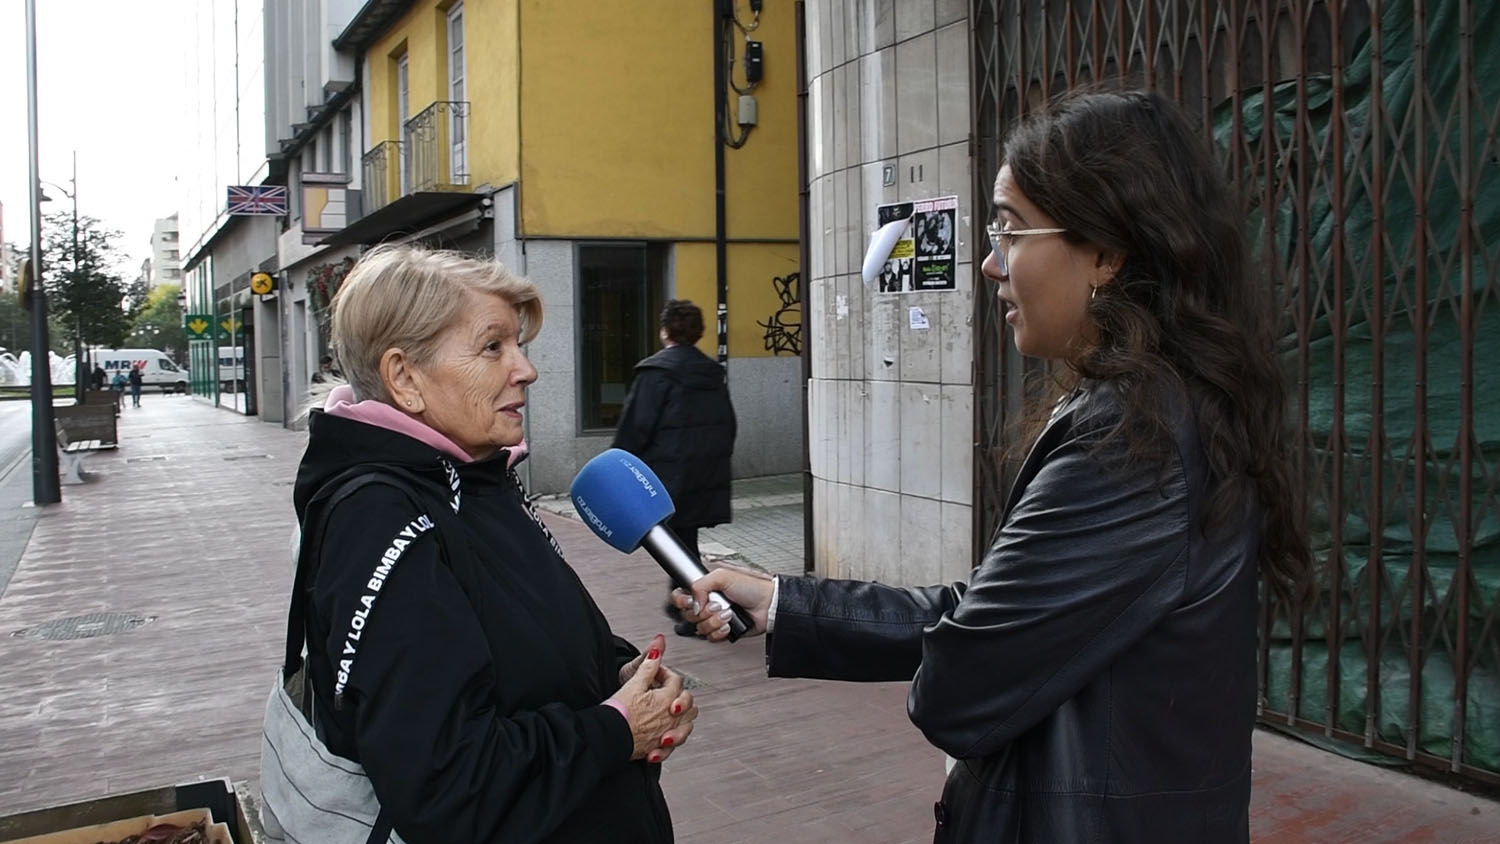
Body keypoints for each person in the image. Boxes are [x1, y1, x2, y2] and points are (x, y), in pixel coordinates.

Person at [673, 88, 1311, 843]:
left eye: (1010, 231)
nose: (987, 263)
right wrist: (783, 601)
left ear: (1106, 252)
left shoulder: (1132, 444)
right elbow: (989, 613)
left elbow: (958, 686)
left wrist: (952, 661)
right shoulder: (1160, 408)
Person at [270, 245, 695, 843]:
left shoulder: (473, 477)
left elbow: (509, 644)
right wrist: (616, 729)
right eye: (493, 346)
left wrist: (615, 671)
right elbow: (446, 783)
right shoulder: (382, 520)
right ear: (405, 378)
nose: (526, 370)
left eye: (519, 344)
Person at [612, 299, 736, 637]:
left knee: (672, 540)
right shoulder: (711, 373)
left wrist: (618, 467)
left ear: (665, 330)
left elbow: (636, 426)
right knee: (683, 537)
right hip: (705, 470)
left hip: (667, 474)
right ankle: (683, 599)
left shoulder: (656, 373)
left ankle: (704, 606)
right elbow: (728, 423)